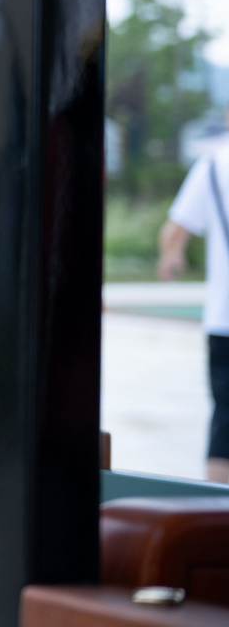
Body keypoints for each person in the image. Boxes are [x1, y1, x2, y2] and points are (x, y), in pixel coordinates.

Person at [157, 108, 229, 485]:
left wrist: (171, 258)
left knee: (225, 420)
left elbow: (174, 231)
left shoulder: (214, 165)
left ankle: (218, 519)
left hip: (224, 318)